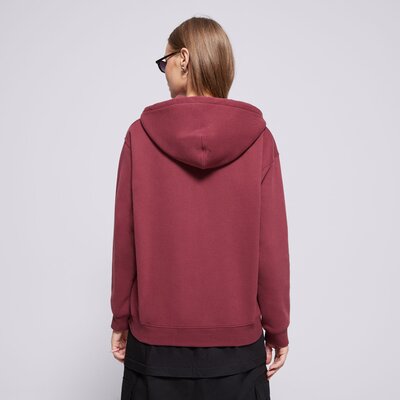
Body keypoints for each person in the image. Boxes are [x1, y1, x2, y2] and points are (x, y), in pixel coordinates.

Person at [109, 16, 290, 400]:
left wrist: (120, 317)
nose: (164, 71)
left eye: (165, 61)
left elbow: (125, 237)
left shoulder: (139, 136)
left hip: (155, 349)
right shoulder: (260, 140)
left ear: (184, 58)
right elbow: (271, 246)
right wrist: (277, 329)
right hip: (236, 354)